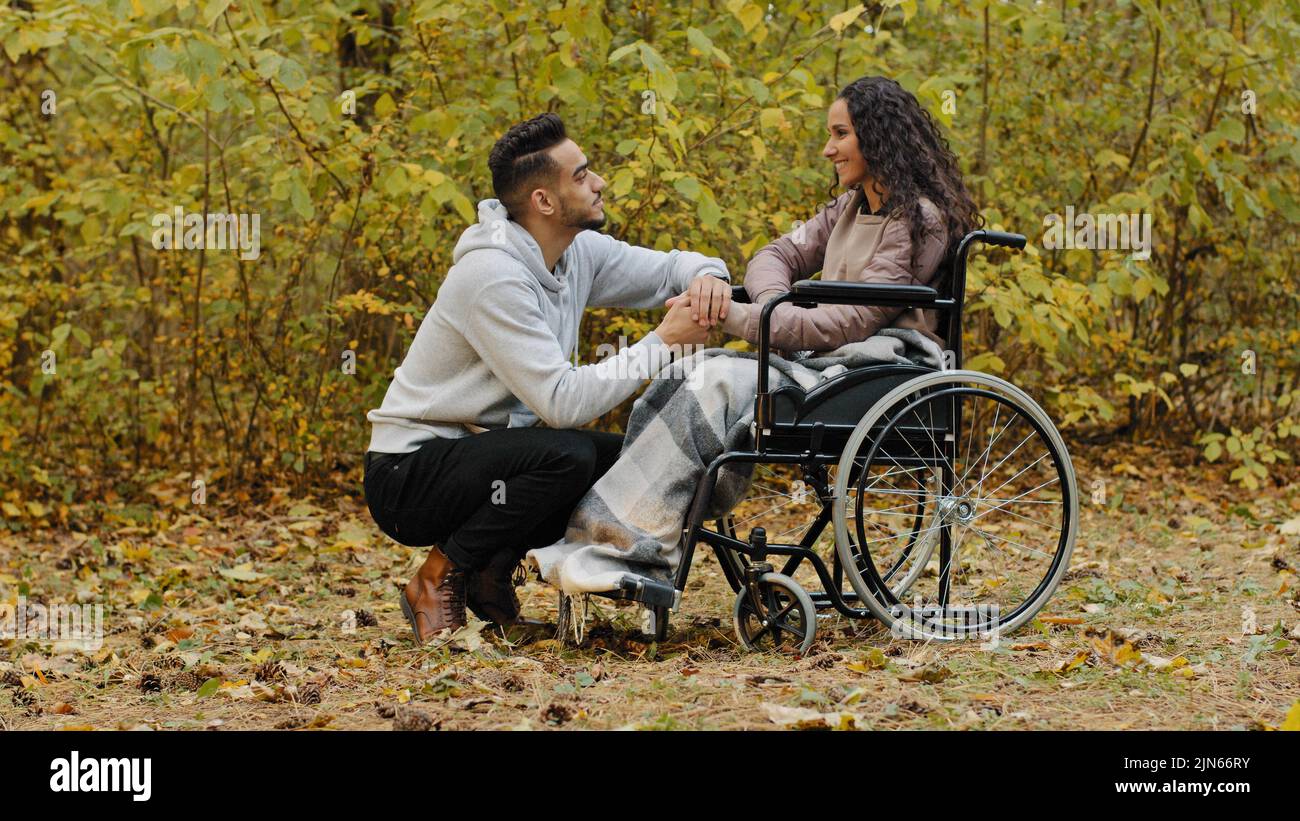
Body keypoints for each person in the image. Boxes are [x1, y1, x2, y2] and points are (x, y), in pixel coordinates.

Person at [363, 113, 733, 642]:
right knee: (567, 455)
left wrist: (707, 278)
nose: (599, 182)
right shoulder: (492, 276)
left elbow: (672, 267)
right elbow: (561, 404)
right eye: (581, 176)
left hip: (482, 458)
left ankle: (489, 572)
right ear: (543, 201)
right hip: (409, 474)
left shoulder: (574, 251)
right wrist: (665, 342)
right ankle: (437, 576)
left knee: (636, 456)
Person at [706, 74, 982, 351]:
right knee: (713, 366)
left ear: (878, 137)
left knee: (727, 379)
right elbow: (776, 255)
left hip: (883, 365)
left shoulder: (917, 220)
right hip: (834, 361)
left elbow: (850, 321)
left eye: (841, 133)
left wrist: (734, 315)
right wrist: (772, 302)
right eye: (830, 135)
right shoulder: (847, 207)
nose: (828, 150)